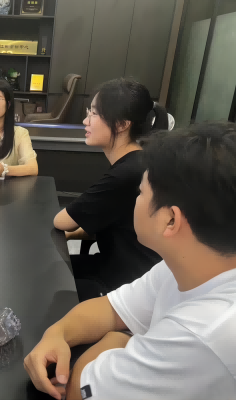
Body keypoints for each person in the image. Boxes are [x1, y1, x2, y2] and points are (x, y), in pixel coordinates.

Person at [24, 122, 236, 400]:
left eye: (141, 193)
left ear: (171, 220)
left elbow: (79, 391)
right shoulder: (192, 263)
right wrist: (58, 333)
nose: (136, 201)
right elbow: (112, 309)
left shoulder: (206, 334)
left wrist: (121, 337)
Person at [54, 78, 166, 298]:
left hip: (124, 286)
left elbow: (62, 221)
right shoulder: (138, 161)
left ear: (122, 124)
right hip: (122, 265)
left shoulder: (126, 174)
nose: (85, 121)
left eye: (94, 113)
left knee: (48, 279)